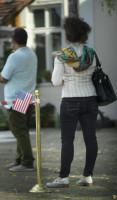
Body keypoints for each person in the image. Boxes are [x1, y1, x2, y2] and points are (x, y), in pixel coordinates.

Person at [46, 17, 98, 188]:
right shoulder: (91, 53)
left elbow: (55, 82)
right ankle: (87, 176)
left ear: (68, 34)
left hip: (70, 100)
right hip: (90, 99)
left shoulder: (62, 56)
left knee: (67, 140)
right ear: (84, 34)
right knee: (90, 139)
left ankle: (63, 178)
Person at [0, 28, 37, 172]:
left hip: (16, 97)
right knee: (22, 130)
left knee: (19, 131)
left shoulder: (14, 56)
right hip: (27, 96)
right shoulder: (32, 55)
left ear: (13, 40)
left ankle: (27, 162)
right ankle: (19, 159)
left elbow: (4, 77)